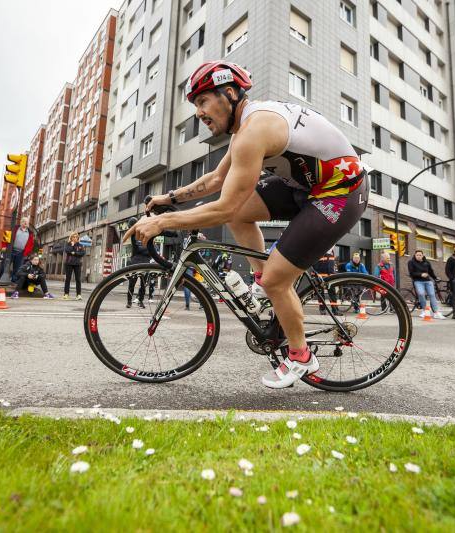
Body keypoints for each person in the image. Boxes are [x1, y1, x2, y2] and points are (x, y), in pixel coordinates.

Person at [129, 60, 369, 388]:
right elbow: (216, 179)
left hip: (342, 191)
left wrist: (164, 222)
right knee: (246, 220)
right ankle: (262, 285)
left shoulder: (254, 130)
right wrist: (169, 198)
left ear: (229, 94)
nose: (199, 113)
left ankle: (301, 356)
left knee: (276, 278)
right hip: (306, 186)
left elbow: (224, 207)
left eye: (202, 101)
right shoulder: (245, 127)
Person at [407, 250, 446, 319]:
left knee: (432, 295)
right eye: (417, 255)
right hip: (418, 281)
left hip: (428, 281)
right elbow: (411, 273)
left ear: (422, 255)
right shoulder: (411, 262)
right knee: (421, 294)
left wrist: (435, 278)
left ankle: (436, 312)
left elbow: (431, 271)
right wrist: (421, 274)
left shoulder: (427, 262)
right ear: (415, 255)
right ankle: (424, 311)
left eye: (420, 255)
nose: (418, 256)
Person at [125, 217, 151, 308]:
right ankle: (129, 301)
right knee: (132, 282)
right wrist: (145, 250)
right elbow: (139, 248)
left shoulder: (145, 233)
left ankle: (140, 300)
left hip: (144, 261)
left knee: (143, 284)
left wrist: (145, 251)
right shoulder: (134, 236)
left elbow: (149, 248)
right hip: (137, 261)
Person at [314, 248, 342, 315]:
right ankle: (322, 309)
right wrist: (315, 275)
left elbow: (332, 264)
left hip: (330, 277)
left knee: (333, 294)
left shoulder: (332, 252)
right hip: (320, 277)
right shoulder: (319, 251)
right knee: (321, 294)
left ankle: (335, 310)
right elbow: (314, 264)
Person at [10, 217, 35, 283]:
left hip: (21, 253)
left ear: (28, 224)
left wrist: (27, 253)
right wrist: (4, 247)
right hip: (11, 250)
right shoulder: (14, 228)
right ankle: (1, 278)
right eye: (23, 221)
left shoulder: (30, 233)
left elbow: (31, 244)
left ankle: (14, 280)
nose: (25, 223)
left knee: (18, 268)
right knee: (5, 264)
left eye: (27, 222)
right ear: (21, 222)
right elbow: (7, 236)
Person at [63, 232, 85, 300]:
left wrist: (74, 253)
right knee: (68, 279)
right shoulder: (68, 244)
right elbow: (67, 250)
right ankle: (66, 294)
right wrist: (72, 246)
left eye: (76, 237)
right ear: (71, 238)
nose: (75, 238)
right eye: (73, 237)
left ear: (78, 238)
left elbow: (82, 253)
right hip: (69, 264)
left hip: (77, 264)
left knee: (78, 279)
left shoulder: (80, 245)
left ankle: (78, 295)